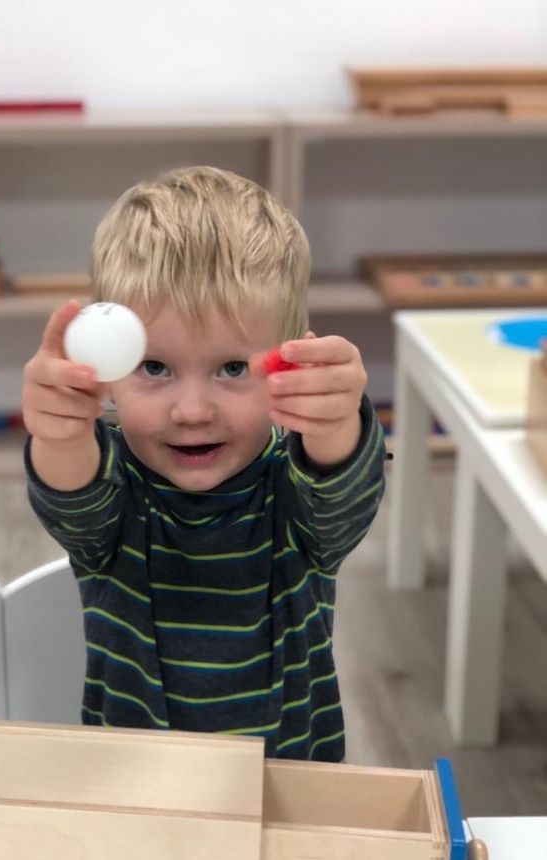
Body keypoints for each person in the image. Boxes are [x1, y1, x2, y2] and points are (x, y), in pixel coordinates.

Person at [22, 165, 386, 761]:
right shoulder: (116, 492)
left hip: (289, 785)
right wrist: (59, 432)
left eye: (233, 368)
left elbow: (340, 494)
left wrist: (335, 419)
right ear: (106, 371)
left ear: (292, 365)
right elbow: (73, 498)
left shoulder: (294, 494)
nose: (192, 411)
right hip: (134, 788)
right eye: (155, 368)